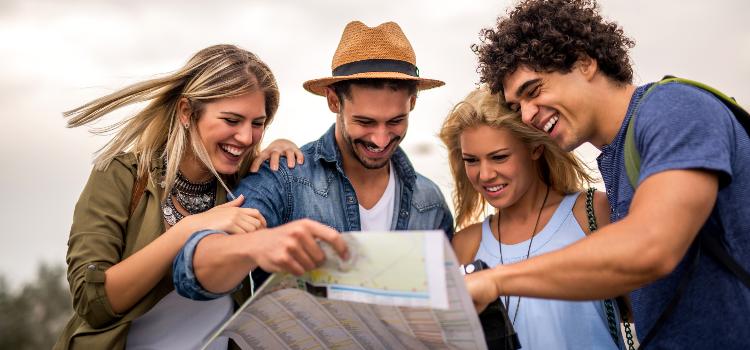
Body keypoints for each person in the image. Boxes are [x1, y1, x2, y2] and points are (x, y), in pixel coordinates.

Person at [468, 0, 750, 348]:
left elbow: (651, 246)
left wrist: (497, 279)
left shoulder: (674, 109)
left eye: (534, 90)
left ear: (585, 62)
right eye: (516, 106)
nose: (526, 115)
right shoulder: (618, 156)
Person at [55, 44, 348, 350]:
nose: (246, 138)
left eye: (257, 124)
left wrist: (282, 146)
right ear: (186, 112)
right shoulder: (120, 175)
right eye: (232, 121)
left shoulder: (247, 180)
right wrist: (189, 229)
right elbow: (93, 303)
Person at [172, 21, 454, 299]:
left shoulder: (431, 203)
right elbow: (192, 271)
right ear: (333, 102)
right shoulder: (283, 179)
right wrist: (255, 245)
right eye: (365, 122)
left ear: (412, 103)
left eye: (395, 121)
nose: (380, 139)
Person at [440, 87, 622, 349]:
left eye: (499, 157)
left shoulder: (592, 212)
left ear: (535, 148)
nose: (485, 174)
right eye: (472, 160)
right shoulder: (465, 245)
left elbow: (646, 311)